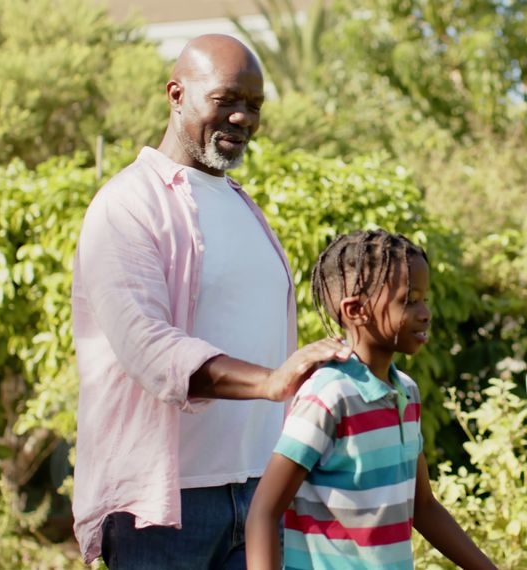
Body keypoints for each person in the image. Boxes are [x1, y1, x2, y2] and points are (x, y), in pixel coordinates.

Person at [71, 34, 351, 568]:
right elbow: (149, 349)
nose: (244, 118)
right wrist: (270, 382)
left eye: (254, 106)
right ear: (176, 94)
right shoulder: (125, 205)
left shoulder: (247, 208)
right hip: (162, 511)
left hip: (260, 494)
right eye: (227, 101)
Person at [244, 229, 496, 570]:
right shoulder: (329, 395)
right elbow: (264, 511)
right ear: (356, 310)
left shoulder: (406, 392)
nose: (425, 313)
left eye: (425, 299)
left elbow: (423, 506)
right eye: (409, 300)